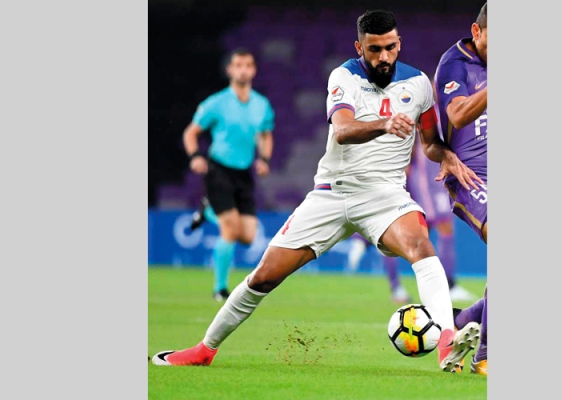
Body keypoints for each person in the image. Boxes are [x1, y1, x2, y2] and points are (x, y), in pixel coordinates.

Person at [152, 10, 483, 373]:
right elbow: (342, 130)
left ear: (399, 44)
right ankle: (204, 350)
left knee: (421, 247)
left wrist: (446, 156)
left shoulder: (418, 84)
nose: (384, 56)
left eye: (390, 47)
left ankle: (447, 344)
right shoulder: (344, 77)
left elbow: (430, 142)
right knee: (263, 276)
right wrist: (384, 124)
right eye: (374, 49)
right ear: (359, 47)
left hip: (385, 196)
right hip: (331, 194)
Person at [182, 48, 275, 302]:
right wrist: (195, 156)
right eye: (238, 65)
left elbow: (266, 134)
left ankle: (208, 211)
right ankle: (220, 289)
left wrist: (264, 159)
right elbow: (191, 133)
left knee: (248, 236)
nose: (243, 70)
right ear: (230, 70)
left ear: (253, 70)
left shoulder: (262, 105)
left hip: (244, 172)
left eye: (248, 65)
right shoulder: (216, 103)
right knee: (230, 229)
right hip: (219, 169)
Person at [430, 2, 488, 376]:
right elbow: (458, 114)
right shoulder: (455, 64)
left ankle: (461, 320)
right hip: (472, 177)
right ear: (477, 31)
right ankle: (486, 355)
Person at [406, 136, 475, 302]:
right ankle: (447, 285)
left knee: (431, 232)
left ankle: (441, 285)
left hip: (439, 176)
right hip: (427, 180)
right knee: (433, 230)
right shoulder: (423, 122)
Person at [345, 232, 412, 304]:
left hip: (379, 232)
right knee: (356, 251)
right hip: (364, 231)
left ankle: (397, 289)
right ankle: (348, 277)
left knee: (388, 255)